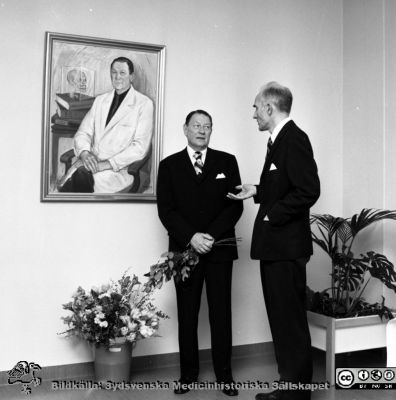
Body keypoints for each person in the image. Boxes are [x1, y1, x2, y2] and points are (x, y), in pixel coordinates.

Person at [228, 82, 320, 400]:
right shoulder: (278, 141)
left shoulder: (293, 139)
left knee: (289, 323)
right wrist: (258, 190)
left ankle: (295, 395)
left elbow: (308, 190)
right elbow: (285, 185)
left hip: (286, 248)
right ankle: (288, 390)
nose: (253, 114)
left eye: (256, 107)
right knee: (282, 322)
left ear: (269, 107)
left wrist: (272, 214)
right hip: (278, 247)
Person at [157, 110, 243, 397]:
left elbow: (236, 205)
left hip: (219, 250)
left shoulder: (227, 162)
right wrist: (192, 238)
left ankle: (225, 375)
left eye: (207, 126)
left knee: (221, 314)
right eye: (196, 126)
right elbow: (166, 211)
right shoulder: (168, 166)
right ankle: (188, 375)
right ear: (185, 129)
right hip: (185, 253)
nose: (202, 130)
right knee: (188, 314)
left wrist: (210, 237)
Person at [59, 57, 153, 193]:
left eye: (122, 73)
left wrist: (107, 164)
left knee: (78, 180)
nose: (117, 77)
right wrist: (85, 153)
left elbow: (140, 147)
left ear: (131, 77)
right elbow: (83, 132)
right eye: (114, 72)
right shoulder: (100, 100)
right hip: (89, 164)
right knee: (69, 185)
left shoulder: (144, 104)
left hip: (118, 170)